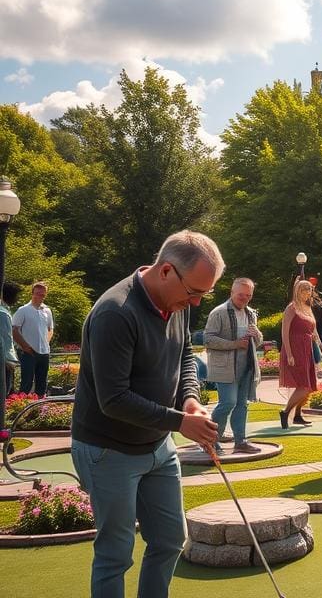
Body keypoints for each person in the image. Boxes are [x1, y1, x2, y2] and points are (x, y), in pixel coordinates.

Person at [71, 230, 222, 598]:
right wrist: (180, 422)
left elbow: (185, 353)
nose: (196, 302)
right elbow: (114, 399)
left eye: (204, 294)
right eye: (194, 292)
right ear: (166, 270)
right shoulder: (115, 312)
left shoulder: (178, 304)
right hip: (107, 449)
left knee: (170, 540)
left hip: (157, 446)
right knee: (115, 554)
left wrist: (189, 399)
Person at [204, 277, 263, 454]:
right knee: (228, 403)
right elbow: (208, 339)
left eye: (248, 295)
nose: (244, 299)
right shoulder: (219, 312)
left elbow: (257, 342)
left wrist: (257, 333)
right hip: (225, 368)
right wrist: (234, 344)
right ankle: (210, 441)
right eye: (241, 295)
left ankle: (240, 441)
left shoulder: (251, 313)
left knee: (242, 404)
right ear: (232, 292)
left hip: (247, 367)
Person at [278, 280, 320, 429]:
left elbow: (313, 329)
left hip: (307, 348)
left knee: (309, 384)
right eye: (304, 290)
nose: (307, 293)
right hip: (295, 349)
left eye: (309, 291)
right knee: (304, 385)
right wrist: (289, 354)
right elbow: (284, 332)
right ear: (297, 291)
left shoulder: (307, 308)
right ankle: (285, 412)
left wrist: (317, 341)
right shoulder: (291, 308)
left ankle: (297, 414)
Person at [12, 281, 54, 396]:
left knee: (42, 383)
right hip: (28, 352)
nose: (40, 296)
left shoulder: (47, 310)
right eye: (37, 293)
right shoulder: (23, 310)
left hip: (44, 352)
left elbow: (50, 329)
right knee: (26, 383)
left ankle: (40, 405)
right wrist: (25, 347)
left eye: (43, 294)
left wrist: (46, 343)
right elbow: (14, 330)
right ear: (32, 293)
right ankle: (22, 405)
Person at [1, 282, 22, 397]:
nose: (17, 299)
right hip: (4, 361)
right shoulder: (3, 313)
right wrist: (10, 360)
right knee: (4, 392)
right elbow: (5, 339)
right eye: (16, 295)